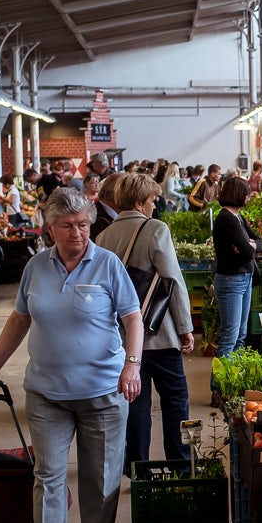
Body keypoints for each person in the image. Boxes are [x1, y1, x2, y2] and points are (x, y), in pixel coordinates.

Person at [0, 186, 143, 523]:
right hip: (47, 393)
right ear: (50, 228)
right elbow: (19, 319)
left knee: (100, 477)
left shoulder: (108, 265)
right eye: (67, 226)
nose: (77, 233)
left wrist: (132, 366)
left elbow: (133, 318)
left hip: (103, 391)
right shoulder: (36, 267)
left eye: (83, 224)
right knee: (47, 475)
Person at [94, 173, 196, 468]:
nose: (155, 205)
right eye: (152, 200)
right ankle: (180, 462)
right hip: (160, 334)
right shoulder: (155, 229)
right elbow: (173, 281)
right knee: (176, 402)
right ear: (140, 202)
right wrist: (185, 328)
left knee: (136, 403)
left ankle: (137, 467)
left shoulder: (104, 236)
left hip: (125, 340)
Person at [212, 177, 262, 360]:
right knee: (230, 337)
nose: (249, 197)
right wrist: (248, 246)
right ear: (238, 194)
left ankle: (234, 380)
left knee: (241, 336)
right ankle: (218, 385)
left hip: (244, 278)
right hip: (231, 281)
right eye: (246, 193)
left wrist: (250, 244)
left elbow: (259, 241)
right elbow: (249, 252)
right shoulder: (227, 219)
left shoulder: (238, 217)